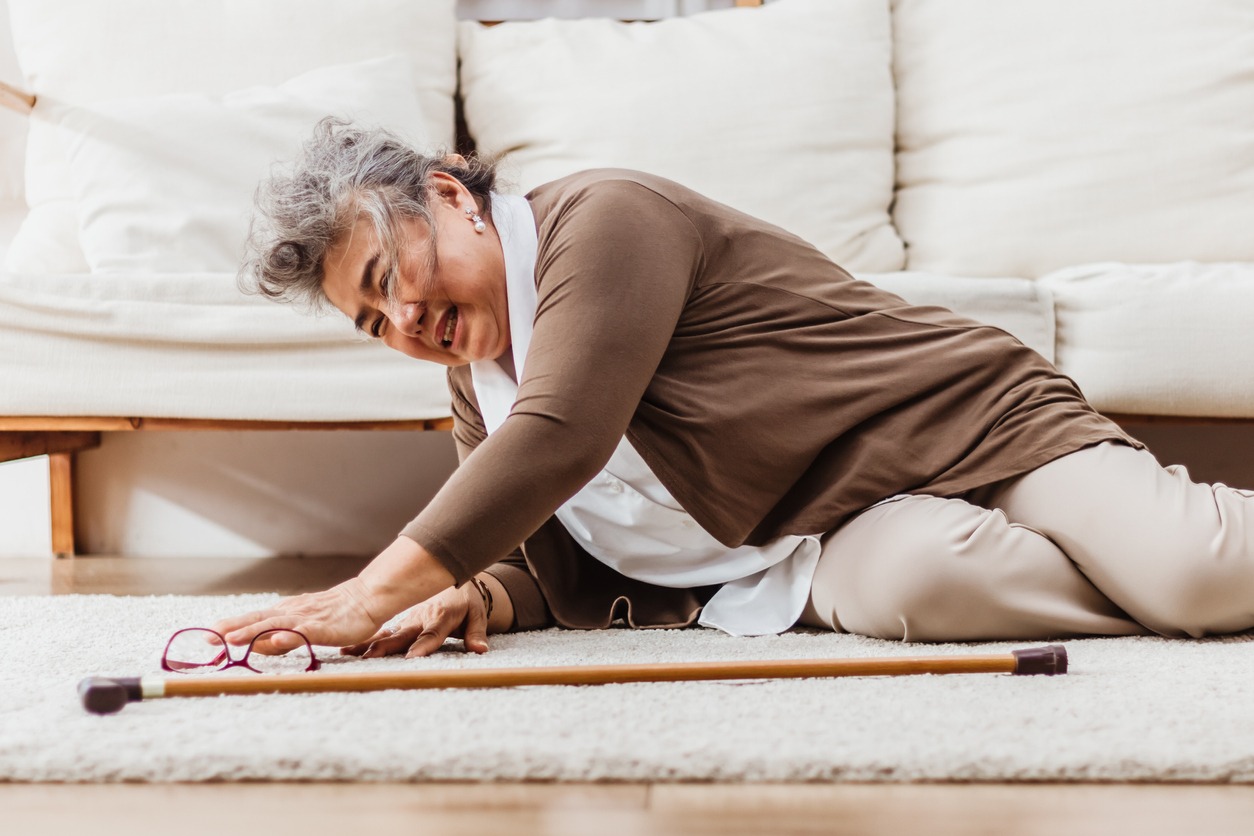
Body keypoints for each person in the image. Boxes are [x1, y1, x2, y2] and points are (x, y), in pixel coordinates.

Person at [213, 119, 1254, 659]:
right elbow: (556, 556)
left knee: (1195, 573)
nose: (403, 324)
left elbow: (564, 436)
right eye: (370, 320)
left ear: (449, 197)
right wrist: (473, 593)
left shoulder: (603, 220)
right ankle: (1144, 588)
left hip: (968, 425)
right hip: (833, 534)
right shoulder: (479, 384)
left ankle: (1158, 567)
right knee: (915, 587)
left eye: (391, 280)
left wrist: (364, 593)